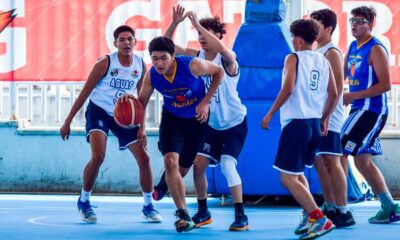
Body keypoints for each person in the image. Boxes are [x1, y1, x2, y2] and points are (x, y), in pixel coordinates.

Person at [60, 25, 162, 224]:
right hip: (99, 110)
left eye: (129, 39)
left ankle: (148, 206)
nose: (126, 43)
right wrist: (68, 121)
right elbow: (85, 93)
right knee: (98, 156)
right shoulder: (105, 63)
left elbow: (142, 99)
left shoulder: (140, 65)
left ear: (135, 42)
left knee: (144, 158)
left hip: (123, 114)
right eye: (121, 40)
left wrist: (142, 128)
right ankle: (84, 200)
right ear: (115, 43)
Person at [162, 7, 249, 231]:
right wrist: (175, 22)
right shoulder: (196, 58)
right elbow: (166, 48)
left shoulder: (229, 59)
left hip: (234, 123)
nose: (201, 37)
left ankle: (241, 215)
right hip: (210, 124)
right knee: (198, 166)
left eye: (206, 33)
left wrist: (198, 24)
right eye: (198, 34)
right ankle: (203, 212)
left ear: (219, 35)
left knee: (228, 165)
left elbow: (224, 50)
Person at [261, 19, 338, 240]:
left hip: (296, 123)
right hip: (314, 122)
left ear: (298, 39)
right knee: (297, 174)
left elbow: (288, 87)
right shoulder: (323, 60)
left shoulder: (292, 57)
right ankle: (308, 218)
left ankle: (319, 218)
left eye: (293, 37)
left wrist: (270, 113)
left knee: (286, 178)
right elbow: (334, 93)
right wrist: (325, 119)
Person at [137, 36, 224, 232]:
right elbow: (140, 103)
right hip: (172, 120)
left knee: (182, 169)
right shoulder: (152, 76)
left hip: (196, 121)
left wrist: (205, 102)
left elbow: (218, 72)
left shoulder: (192, 65)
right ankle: (183, 214)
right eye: (155, 58)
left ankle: (164, 183)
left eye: (163, 58)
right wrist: (139, 126)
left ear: (173, 56)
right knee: (170, 162)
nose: (159, 63)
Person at [292, 8, 355, 231]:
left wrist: (326, 116)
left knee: (332, 161)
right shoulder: (316, 51)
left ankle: (344, 210)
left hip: (331, 116)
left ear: (328, 29)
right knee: (320, 162)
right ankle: (329, 206)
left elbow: (336, 90)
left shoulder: (332, 53)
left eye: (318, 25)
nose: (314, 29)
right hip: (317, 115)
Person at [341, 6, 400, 224]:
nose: (354, 24)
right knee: (362, 163)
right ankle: (390, 206)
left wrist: (352, 95)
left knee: (338, 150)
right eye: (352, 20)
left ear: (371, 24)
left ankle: (338, 208)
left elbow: (385, 85)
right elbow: (342, 74)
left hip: (371, 110)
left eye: (360, 20)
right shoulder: (354, 46)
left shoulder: (376, 49)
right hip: (359, 108)